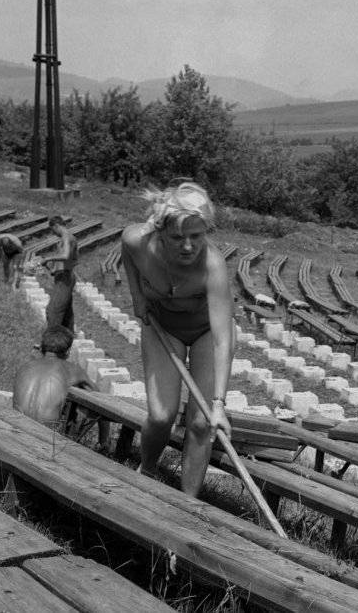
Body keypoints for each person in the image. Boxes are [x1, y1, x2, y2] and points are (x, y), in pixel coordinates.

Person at [121, 182, 234, 497]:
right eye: (177, 238)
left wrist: (219, 405)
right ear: (160, 232)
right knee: (161, 415)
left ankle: (188, 503)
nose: (188, 246)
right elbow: (125, 248)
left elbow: (223, 339)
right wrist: (137, 297)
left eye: (196, 237)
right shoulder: (138, 241)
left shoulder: (213, 266)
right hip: (163, 327)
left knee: (201, 424)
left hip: (206, 333)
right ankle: (148, 469)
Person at [13, 325, 96, 428]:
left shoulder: (24, 367)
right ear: (67, 352)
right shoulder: (74, 370)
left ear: (41, 348)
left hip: (15, 429)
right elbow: (102, 402)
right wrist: (103, 440)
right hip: (45, 437)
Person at [40, 216, 78, 333]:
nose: (53, 233)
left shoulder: (66, 236)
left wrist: (48, 258)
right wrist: (51, 268)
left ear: (57, 226)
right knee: (66, 313)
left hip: (64, 278)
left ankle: (52, 339)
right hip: (65, 274)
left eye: (53, 230)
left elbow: (66, 255)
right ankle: (68, 338)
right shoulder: (70, 237)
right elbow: (68, 260)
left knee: (53, 311)